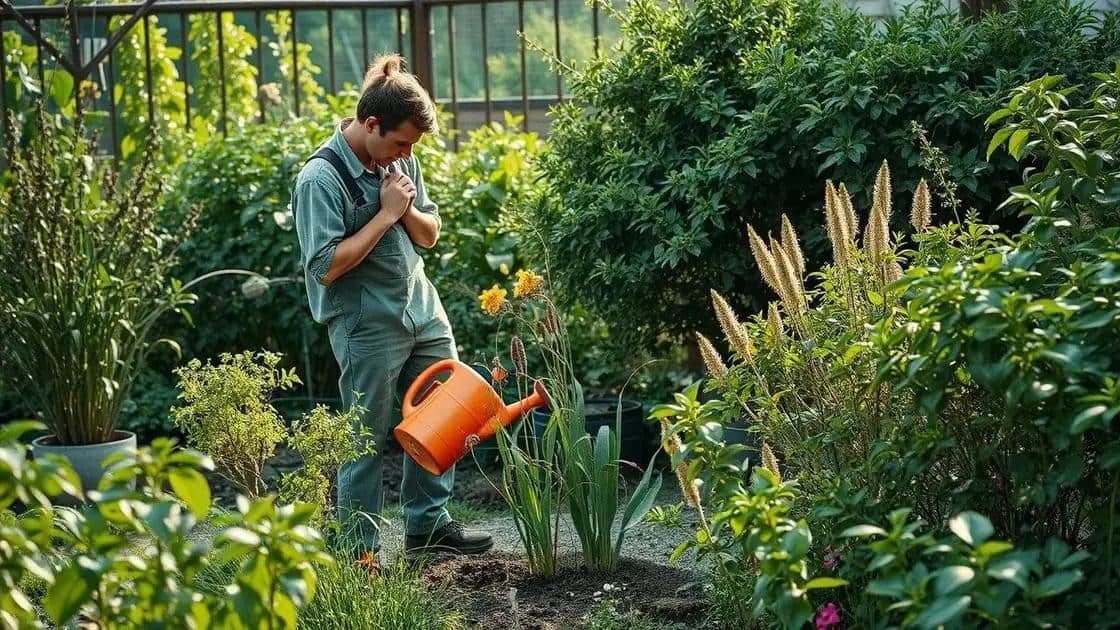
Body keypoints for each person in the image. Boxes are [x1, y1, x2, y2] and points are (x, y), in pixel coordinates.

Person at [291, 54, 494, 569]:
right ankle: (358, 550)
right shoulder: (321, 178)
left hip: (420, 311)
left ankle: (428, 527)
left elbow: (429, 233)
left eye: (411, 148)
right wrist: (385, 214)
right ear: (371, 124)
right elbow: (326, 268)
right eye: (400, 143)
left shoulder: (401, 160)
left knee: (442, 415)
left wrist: (404, 212)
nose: (404, 155)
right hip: (366, 325)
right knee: (364, 436)